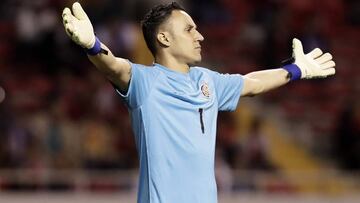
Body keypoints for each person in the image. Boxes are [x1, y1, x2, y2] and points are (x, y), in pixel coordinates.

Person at [62, 2, 336, 203]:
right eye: (190, 29)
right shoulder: (145, 82)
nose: (200, 36)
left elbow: (252, 83)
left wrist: (297, 70)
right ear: (164, 37)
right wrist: (93, 46)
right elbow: (115, 67)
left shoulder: (208, 81)